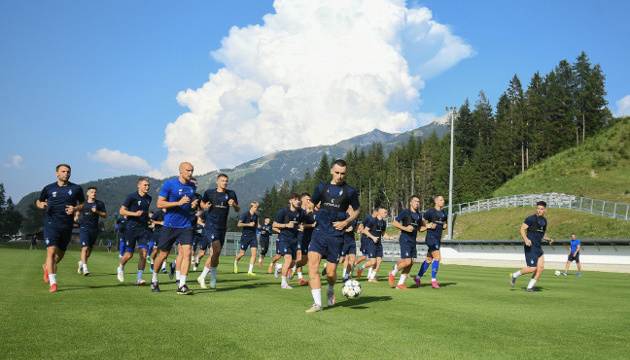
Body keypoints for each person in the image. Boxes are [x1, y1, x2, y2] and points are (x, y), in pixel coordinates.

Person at [305, 159, 360, 313]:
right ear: (331, 171)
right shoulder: (322, 187)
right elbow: (312, 203)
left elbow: (357, 210)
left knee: (330, 273)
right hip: (319, 233)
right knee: (312, 267)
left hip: (336, 235)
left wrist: (346, 222)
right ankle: (318, 304)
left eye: (342, 173)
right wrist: (310, 209)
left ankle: (330, 288)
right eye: (337, 173)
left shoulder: (350, 191)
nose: (339, 176)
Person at [150, 162, 198, 294]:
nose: (190, 173)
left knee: (187, 253)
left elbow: (190, 201)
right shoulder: (169, 184)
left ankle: (182, 284)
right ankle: (154, 279)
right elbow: (159, 203)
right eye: (188, 170)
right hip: (170, 225)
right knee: (163, 254)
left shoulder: (192, 186)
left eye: (192, 171)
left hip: (186, 225)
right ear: (180, 171)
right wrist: (178, 203)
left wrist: (193, 205)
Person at [37, 164, 85, 292]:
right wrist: (41, 205)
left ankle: (47, 267)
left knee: (60, 254)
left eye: (68, 172)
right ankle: (53, 283)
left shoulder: (76, 188)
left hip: (67, 225)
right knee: (51, 251)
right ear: (56, 173)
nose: (66, 173)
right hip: (51, 224)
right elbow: (39, 201)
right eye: (63, 171)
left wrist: (75, 209)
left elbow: (83, 204)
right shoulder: (48, 188)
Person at [197, 173, 239, 290]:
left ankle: (205, 277)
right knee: (217, 249)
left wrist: (234, 204)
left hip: (222, 227)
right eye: (222, 180)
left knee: (216, 254)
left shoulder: (231, 194)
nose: (224, 183)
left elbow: (237, 209)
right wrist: (204, 206)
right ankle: (211, 277)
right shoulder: (209, 193)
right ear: (217, 181)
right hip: (210, 226)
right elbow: (202, 203)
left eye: (226, 181)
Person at [510, 201, 554, 292]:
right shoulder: (530, 219)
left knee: (540, 268)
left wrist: (549, 239)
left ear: (545, 210)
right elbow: (522, 229)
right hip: (530, 246)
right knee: (532, 268)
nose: (539, 210)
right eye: (538, 208)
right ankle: (514, 275)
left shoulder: (544, 221)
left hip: (538, 247)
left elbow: (543, 234)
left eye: (541, 209)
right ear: (536, 209)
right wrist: (526, 239)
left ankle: (529, 287)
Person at [117, 177, 152, 286]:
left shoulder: (149, 198)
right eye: (145, 185)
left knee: (144, 254)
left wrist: (149, 220)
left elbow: (144, 212)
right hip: (131, 228)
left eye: (148, 185)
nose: (147, 187)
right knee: (129, 254)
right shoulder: (131, 197)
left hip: (143, 229)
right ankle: (121, 267)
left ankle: (138, 279)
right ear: (139, 185)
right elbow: (121, 211)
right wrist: (134, 214)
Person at [390, 195, 428, 289]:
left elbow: (420, 228)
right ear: (411, 202)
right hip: (405, 239)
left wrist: (428, 227)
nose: (417, 203)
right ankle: (393, 272)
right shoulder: (405, 212)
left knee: (411, 262)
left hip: (413, 240)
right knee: (407, 261)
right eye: (415, 201)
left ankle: (400, 284)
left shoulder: (419, 215)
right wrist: (405, 228)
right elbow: (394, 223)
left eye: (418, 202)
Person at [272, 193, 307, 289]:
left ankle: (279, 266)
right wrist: (286, 225)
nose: (298, 201)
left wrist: (302, 227)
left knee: (293, 263)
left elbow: (304, 222)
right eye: (295, 199)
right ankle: (284, 283)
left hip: (294, 240)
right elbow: (274, 224)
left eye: (298, 200)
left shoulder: (300, 212)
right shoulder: (283, 211)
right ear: (290, 201)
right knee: (288, 260)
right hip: (284, 239)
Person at [414, 195, 448, 289]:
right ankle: (433, 280)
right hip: (431, 238)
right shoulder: (430, 212)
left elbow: (444, 223)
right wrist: (428, 225)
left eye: (443, 199)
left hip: (437, 239)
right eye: (441, 200)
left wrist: (445, 225)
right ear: (436, 202)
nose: (443, 201)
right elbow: (420, 221)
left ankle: (417, 277)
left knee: (429, 259)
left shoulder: (444, 213)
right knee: (437, 257)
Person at [76, 186, 107, 276]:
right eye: (92, 192)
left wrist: (96, 211)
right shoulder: (83, 203)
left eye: (95, 192)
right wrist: (76, 216)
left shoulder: (100, 204)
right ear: (87, 193)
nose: (93, 193)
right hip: (84, 228)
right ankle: (85, 268)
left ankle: (81, 263)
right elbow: (78, 210)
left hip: (94, 229)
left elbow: (104, 215)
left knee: (89, 250)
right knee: (84, 248)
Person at [357, 206, 391, 283]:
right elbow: (365, 230)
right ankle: (361, 268)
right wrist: (372, 237)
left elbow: (384, 234)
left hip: (378, 243)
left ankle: (371, 277)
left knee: (379, 261)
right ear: (379, 212)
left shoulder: (384, 223)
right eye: (384, 212)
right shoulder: (372, 220)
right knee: (373, 262)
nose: (386, 214)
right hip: (370, 242)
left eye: (386, 212)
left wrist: (389, 238)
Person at [294, 193, 316, 285]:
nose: (308, 201)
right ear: (302, 199)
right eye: (307, 199)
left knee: (304, 260)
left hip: (308, 237)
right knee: (299, 255)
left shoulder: (311, 211)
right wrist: (312, 225)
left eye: (309, 200)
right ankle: (300, 278)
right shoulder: (299, 211)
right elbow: (299, 225)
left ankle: (284, 266)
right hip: (299, 236)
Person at [234, 202, 260, 276]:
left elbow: (255, 226)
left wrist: (258, 227)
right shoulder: (245, 214)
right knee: (242, 253)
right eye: (255, 207)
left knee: (254, 253)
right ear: (251, 207)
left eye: (257, 207)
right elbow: (239, 224)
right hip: (245, 236)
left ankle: (250, 271)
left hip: (253, 236)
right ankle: (236, 261)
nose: (256, 209)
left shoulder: (256, 216)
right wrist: (248, 224)